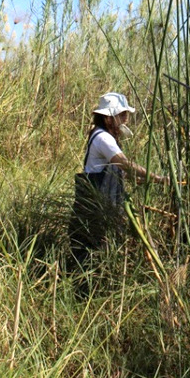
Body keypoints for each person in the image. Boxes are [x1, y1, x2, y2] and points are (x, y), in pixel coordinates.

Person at [68, 92, 167, 270]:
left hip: (103, 207)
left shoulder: (102, 136)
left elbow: (116, 171)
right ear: (108, 119)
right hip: (95, 208)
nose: (126, 119)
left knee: (99, 251)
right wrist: (156, 178)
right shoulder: (103, 138)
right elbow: (124, 163)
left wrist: (139, 179)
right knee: (91, 253)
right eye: (122, 114)